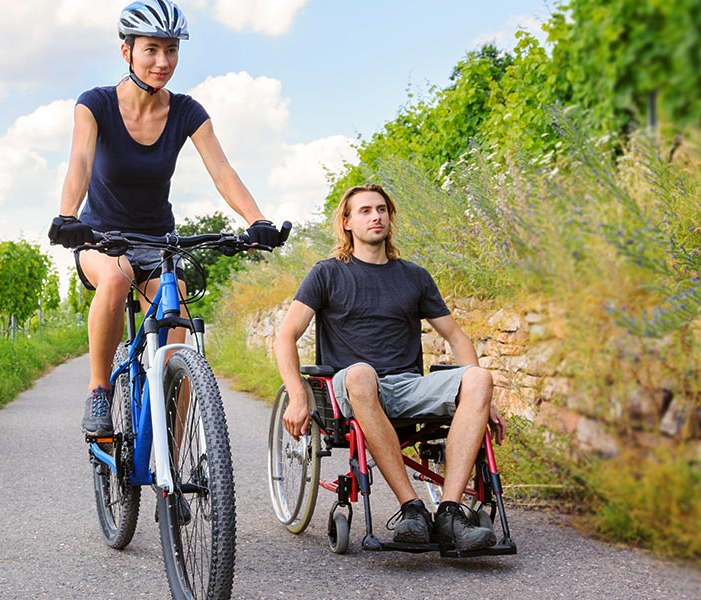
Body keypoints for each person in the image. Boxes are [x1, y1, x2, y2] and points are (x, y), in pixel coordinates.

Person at [48, 0, 284, 438]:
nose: (163, 62)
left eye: (171, 50)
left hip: (159, 243)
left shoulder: (187, 111)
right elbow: (80, 161)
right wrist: (67, 215)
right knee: (117, 279)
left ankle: (169, 468)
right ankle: (99, 388)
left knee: (175, 329)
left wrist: (258, 220)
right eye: (152, 49)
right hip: (100, 240)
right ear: (127, 52)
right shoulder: (95, 104)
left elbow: (222, 170)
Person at [273, 184, 507, 552]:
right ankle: (411, 507)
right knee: (362, 372)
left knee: (479, 379)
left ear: (390, 217)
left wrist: (483, 399)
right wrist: (298, 395)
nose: (376, 216)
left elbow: (457, 337)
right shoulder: (327, 274)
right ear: (347, 222)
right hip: (352, 387)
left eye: (381, 209)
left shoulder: (413, 276)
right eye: (364, 210)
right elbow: (286, 336)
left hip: (408, 384)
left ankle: (449, 512)